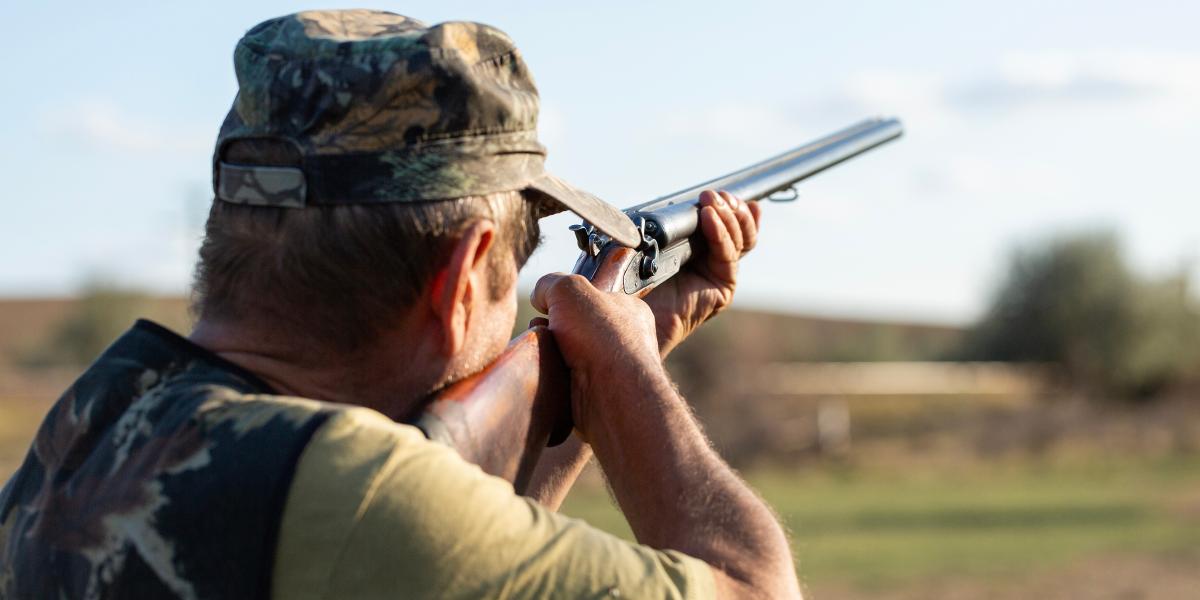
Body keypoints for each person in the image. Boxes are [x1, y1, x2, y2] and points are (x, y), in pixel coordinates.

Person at [0, 9, 801, 599]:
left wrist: (627, 347)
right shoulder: (351, 492)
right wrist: (626, 371)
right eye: (518, 267)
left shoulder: (89, 429)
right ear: (461, 281)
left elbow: (452, 528)